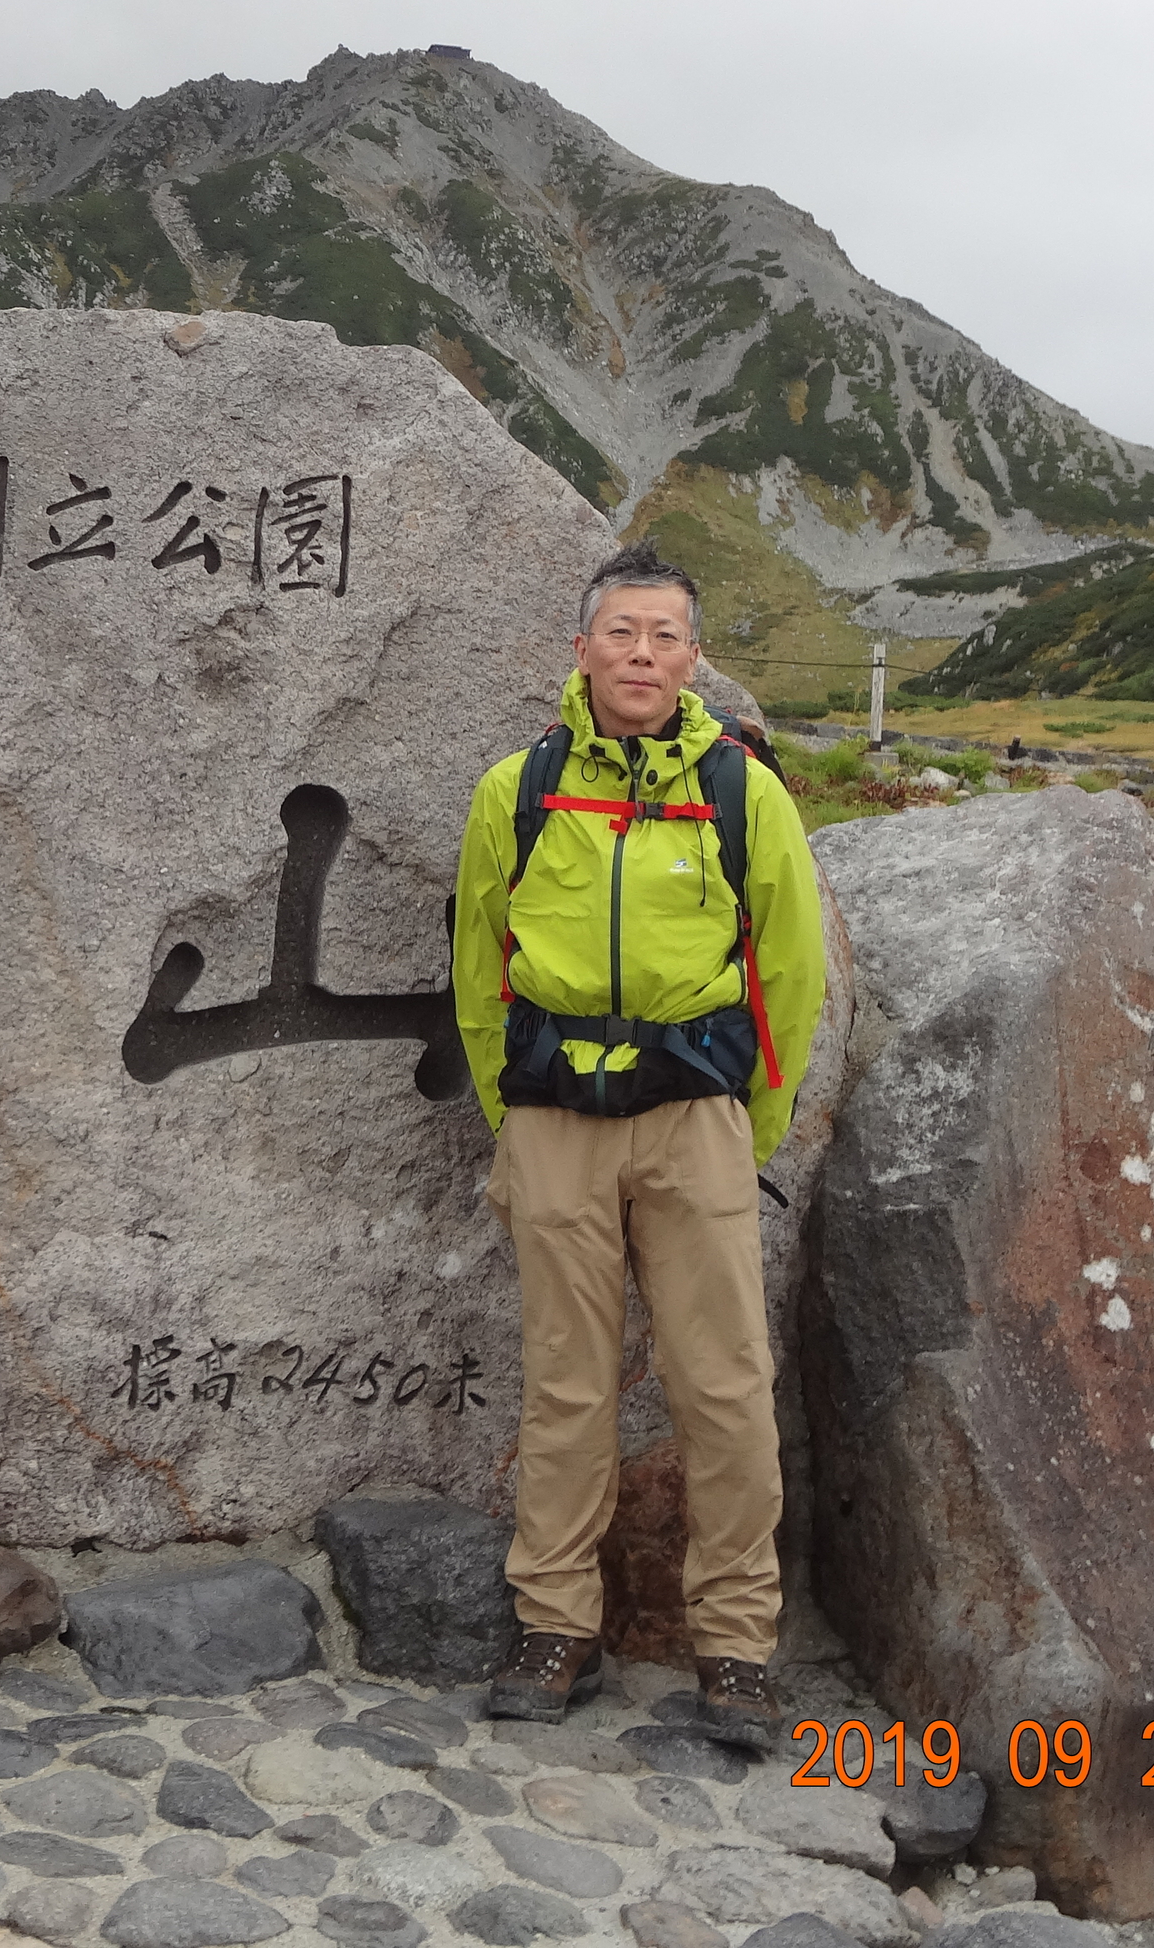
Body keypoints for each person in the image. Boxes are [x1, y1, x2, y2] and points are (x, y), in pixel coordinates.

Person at [449, 541, 825, 1750]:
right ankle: (556, 1622)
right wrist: (512, 1122)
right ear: (582, 649)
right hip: (556, 1117)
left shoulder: (740, 789)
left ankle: (736, 1643)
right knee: (565, 1386)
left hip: (695, 1120)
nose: (644, 656)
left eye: (666, 636)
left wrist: (747, 1125)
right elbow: (478, 965)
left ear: (694, 657)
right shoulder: (517, 787)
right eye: (623, 633)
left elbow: (789, 968)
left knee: (724, 1388)